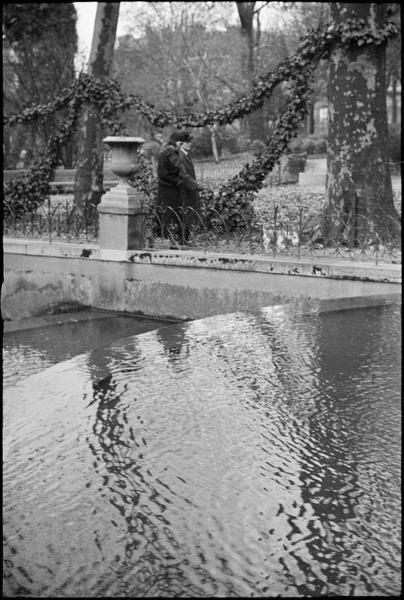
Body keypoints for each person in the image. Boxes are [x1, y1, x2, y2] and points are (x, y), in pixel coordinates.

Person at [156, 129, 203, 246]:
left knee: (177, 216)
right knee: (171, 217)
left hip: (174, 190)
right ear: (177, 143)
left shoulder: (172, 153)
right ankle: (174, 242)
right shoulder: (168, 154)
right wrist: (183, 183)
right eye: (182, 143)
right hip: (169, 191)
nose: (183, 145)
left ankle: (180, 241)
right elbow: (167, 174)